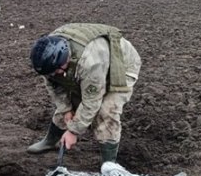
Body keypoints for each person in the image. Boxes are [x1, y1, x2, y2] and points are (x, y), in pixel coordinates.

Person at [27, 23, 141, 165]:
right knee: (71, 104)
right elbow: (54, 86)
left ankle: (109, 164)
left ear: (64, 59)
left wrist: (73, 131)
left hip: (122, 65)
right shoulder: (48, 56)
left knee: (106, 111)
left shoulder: (89, 62)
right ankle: (50, 141)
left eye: (56, 71)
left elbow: (92, 101)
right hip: (94, 64)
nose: (54, 75)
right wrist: (66, 109)